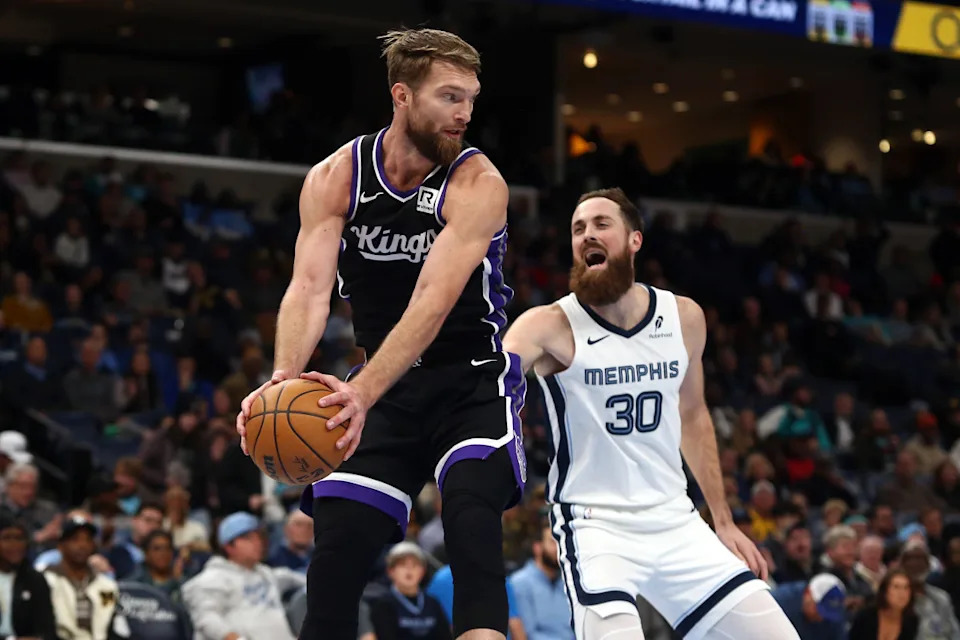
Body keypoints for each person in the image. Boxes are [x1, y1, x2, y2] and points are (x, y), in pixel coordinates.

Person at [235, 27, 521, 640]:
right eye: (449, 96)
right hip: (383, 386)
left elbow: (432, 302)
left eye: (470, 97)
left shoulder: (479, 184)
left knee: (472, 527)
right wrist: (281, 382)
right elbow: (309, 289)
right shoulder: (336, 175)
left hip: (471, 379)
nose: (464, 112)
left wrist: (361, 394)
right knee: (335, 549)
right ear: (402, 96)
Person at [502, 188, 799, 639]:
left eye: (601, 224)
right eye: (578, 229)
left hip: (675, 519)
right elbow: (491, 383)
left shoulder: (683, 317)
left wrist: (721, 519)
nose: (587, 235)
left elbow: (694, 415)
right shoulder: (547, 325)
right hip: (594, 524)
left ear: (634, 240)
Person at [43, 514, 129, 640]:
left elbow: (116, 626)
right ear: (61, 546)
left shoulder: (107, 586)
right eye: (75, 539)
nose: (82, 545)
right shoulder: (45, 580)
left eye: (88, 539)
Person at [370, 542, 451, 640]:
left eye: (414, 565)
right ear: (390, 571)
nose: (409, 570)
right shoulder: (383, 604)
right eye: (403, 565)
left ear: (422, 572)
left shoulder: (432, 603)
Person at [508, 518, 573, 640]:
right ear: (537, 547)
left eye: (561, 542)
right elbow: (526, 635)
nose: (559, 549)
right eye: (553, 542)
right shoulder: (520, 583)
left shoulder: (567, 582)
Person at [0, 511, 57, 640]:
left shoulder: (35, 580)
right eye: (7, 538)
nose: (15, 545)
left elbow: (47, 631)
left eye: (19, 538)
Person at [771, 573, 847, 640]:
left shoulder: (834, 618)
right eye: (818, 610)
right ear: (807, 593)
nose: (821, 618)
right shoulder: (780, 602)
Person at [848, 569, 919, 640]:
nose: (902, 593)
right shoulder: (866, 616)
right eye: (896, 587)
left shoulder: (911, 621)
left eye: (906, 588)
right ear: (885, 591)